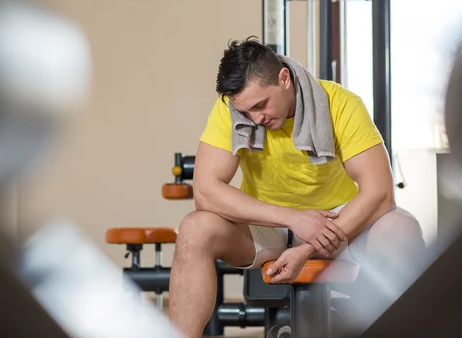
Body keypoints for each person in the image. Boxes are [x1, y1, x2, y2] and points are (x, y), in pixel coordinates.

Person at [168, 37, 425, 338]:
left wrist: (308, 248)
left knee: (403, 228)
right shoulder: (231, 110)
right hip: (268, 225)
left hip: (338, 222)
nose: (256, 119)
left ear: (284, 78)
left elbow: (380, 193)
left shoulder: (341, 104)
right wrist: (292, 217)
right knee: (194, 228)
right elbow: (206, 191)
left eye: (261, 105)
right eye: (246, 112)